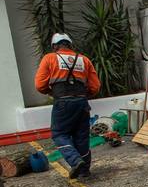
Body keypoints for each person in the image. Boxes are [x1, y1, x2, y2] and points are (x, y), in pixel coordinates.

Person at [34, 33, 101, 179]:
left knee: (59, 134)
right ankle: (84, 170)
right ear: (70, 45)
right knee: (82, 136)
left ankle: (75, 161)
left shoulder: (50, 58)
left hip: (63, 102)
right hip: (82, 103)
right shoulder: (84, 60)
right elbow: (95, 87)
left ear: (55, 46)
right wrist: (83, 96)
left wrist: (52, 92)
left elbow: (40, 85)